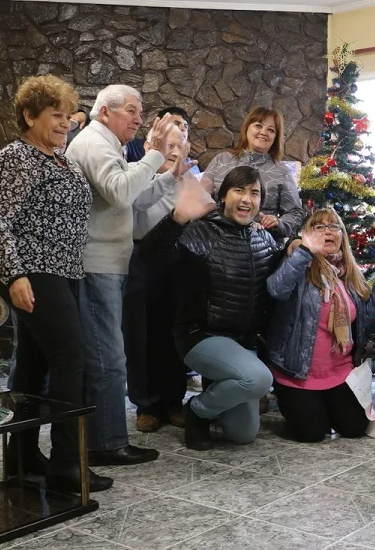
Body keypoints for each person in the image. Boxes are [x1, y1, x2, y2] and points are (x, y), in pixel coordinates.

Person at [0, 75, 112, 492]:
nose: (64, 123)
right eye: (54, 116)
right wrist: (15, 275)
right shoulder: (14, 158)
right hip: (33, 271)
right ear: (28, 115)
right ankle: (66, 464)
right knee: (71, 358)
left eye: (66, 116)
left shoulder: (62, 158)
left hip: (63, 271)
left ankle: (20, 454)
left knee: (36, 364)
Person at [66, 84, 186, 466]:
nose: (138, 118)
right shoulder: (95, 143)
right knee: (108, 359)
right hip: (96, 265)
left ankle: (104, 439)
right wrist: (153, 154)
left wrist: (170, 175)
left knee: (109, 357)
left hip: (112, 263)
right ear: (105, 112)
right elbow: (120, 192)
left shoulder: (108, 143)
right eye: (131, 111)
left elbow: (133, 198)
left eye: (139, 111)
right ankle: (106, 444)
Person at [141, 166, 282, 450]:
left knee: (243, 434)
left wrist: (298, 247)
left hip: (242, 346)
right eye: (238, 191)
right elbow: (150, 256)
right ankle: (197, 411)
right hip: (201, 337)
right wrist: (177, 218)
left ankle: (217, 389)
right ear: (223, 196)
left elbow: (277, 287)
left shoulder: (264, 239)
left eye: (254, 193)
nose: (246, 199)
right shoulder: (201, 232)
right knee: (258, 378)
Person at [265, 208, 375, 443]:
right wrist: (304, 251)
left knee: (355, 427)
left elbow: (366, 320)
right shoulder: (298, 262)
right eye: (319, 227)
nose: (327, 231)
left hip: (340, 371)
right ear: (307, 235)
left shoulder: (349, 274)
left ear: (342, 235)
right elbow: (276, 289)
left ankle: (327, 404)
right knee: (312, 433)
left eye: (334, 226)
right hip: (297, 371)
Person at [123, 125, 192, 432]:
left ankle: (174, 402)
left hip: (178, 261)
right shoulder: (135, 173)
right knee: (142, 335)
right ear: (150, 144)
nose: (174, 151)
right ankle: (146, 405)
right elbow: (137, 203)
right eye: (168, 144)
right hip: (141, 259)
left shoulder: (188, 178)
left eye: (180, 145)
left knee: (175, 333)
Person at [202, 107, 303, 244]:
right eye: (258, 125)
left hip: (263, 247)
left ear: (275, 137)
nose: (263, 132)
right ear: (247, 128)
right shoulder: (222, 160)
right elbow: (200, 198)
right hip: (216, 241)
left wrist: (278, 223)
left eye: (271, 130)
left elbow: (296, 213)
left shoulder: (282, 171)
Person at [125, 106, 190, 163]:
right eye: (176, 123)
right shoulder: (132, 147)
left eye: (186, 126)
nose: (183, 129)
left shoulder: (191, 166)